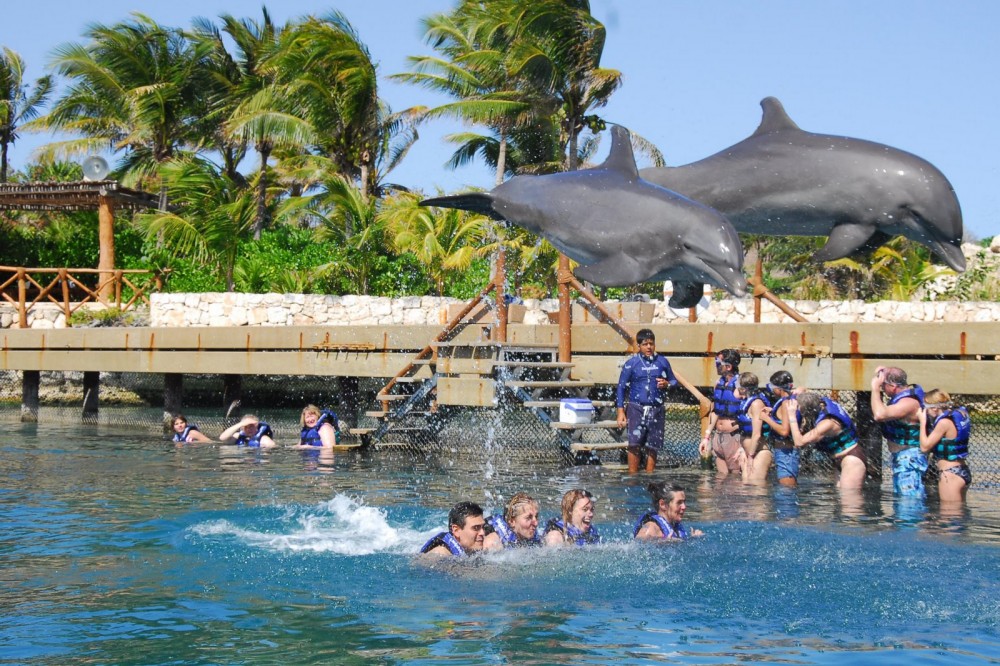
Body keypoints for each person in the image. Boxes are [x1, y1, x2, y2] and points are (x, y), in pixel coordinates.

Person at [616, 328, 678, 473]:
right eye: (645, 344)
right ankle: (632, 476)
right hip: (636, 408)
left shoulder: (662, 361)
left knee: (653, 445)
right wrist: (620, 412)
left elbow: (674, 381)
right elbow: (621, 387)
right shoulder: (632, 363)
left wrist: (667, 384)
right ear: (639, 346)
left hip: (656, 409)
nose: (649, 347)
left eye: (651, 344)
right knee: (634, 444)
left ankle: (650, 475)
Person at [787, 392, 866, 489]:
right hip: (839, 459)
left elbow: (799, 442)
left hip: (851, 459)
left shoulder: (828, 423)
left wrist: (792, 416)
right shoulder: (821, 404)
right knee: (841, 495)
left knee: (850, 496)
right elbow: (802, 390)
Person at [871, 366, 928, 496]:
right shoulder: (901, 398)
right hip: (902, 458)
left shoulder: (909, 402)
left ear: (893, 386)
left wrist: (875, 388)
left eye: (883, 385)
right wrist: (882, 371)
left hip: (910, 459)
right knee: (902, 501)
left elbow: (879, 415)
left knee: (909, 502)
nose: (882, 388)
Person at [918, 389, 972, 502]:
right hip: (962, 470)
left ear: (934, 408)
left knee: (948, 512)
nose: (925, 411)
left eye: (926, 408)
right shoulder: (959, 414)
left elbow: (924, 447)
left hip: (950, 474)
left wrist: (922, 422)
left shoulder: (944, 423)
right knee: (960, 510)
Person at [699, 349, 745, 476]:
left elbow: (749, 414)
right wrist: (707, 437)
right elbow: (716, 411)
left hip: (734, 437)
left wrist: (743, 445)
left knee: (735, 477)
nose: (716, 365)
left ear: (728, 366)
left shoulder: (740, 386)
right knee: (720, 478)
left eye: (718, 363)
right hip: (718, 436)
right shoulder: (719, 383)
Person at [759, 371, 800, 487]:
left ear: (779, 389)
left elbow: (784, 431)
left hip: (786, 453)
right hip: (785, 451)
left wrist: (766, 419)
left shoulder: (785, 403)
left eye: (773, 387)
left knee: (787, 489)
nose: (772, 390)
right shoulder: (790, 399)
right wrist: (773, 413)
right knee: (786, 488)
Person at [735, 372, 773, 484]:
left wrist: (751, 456)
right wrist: (742, 449)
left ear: (743, 388)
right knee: (745, 488)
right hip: (748, 452)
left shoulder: (756, 404)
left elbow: (756, 434)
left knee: (756, 489)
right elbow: (744, 432)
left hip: (759, 452)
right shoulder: (745, 402)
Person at [633, 481, 704, 541]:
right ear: (663, 504)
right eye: (679, 502)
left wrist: (693, 538)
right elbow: (636, 549)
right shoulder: (650, 528)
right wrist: (663, 543)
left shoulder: (674, 527)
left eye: (684, 502)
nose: (684, 507)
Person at [420, 501, 487, 556]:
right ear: (456, 530)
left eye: (483, 527)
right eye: (476, 528)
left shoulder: (476, 548)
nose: (482, 533)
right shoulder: (440, 554)